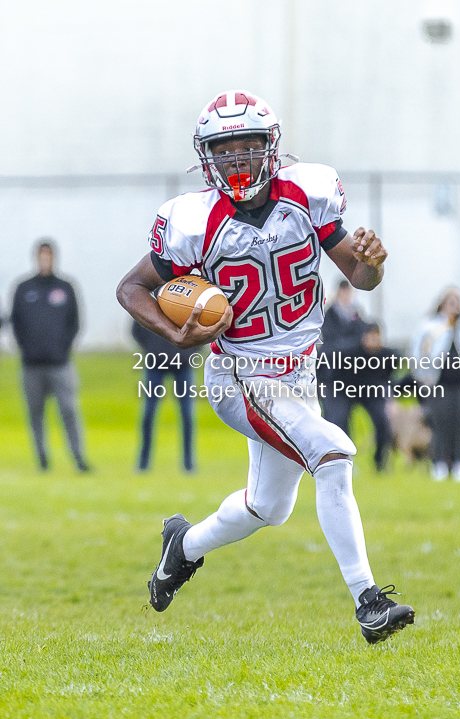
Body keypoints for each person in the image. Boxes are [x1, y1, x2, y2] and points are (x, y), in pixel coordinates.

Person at [117, 89, 414, 643]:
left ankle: (181, 548)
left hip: (299, 373)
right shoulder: (192, 219)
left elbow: (361, 276)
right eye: (224, 150)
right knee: (332, 453)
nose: (236, 160)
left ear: (270, 147)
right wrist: (175, 333)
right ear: (208, 157)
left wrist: (372, 265)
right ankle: (368, 601)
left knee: (267, 507)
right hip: (241, 377)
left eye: (247, 146)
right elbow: (131, 287)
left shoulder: (309, 192)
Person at [11, 240, 90, 472]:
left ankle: (78, 457)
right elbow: (16, 323)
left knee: (68, 410)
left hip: (60, 363)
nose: (45, 260)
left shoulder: (65, 287)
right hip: (32, 365)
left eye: (49, 256)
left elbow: (75, 322)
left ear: (54, 258)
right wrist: (26, 347)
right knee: (35, 413)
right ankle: (42, 458)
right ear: (36, 258)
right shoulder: (24, 288)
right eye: (41, 256)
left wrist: (63, 347)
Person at [411, 287, 460, 482]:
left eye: (458, 302)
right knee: (440, 423)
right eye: (450, 302)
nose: (454, 307)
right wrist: (421, 375)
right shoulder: (431, 325)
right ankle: (439, 462)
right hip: (438, 383)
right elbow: (418, 351)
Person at [132, 321, 198, 473]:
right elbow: (136, 329)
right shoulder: (151, 298)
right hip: (155, 364)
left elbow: (201, 329)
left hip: (183, 364)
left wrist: (189, 352)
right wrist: (151, 350)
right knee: (148, 413)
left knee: (187, 415)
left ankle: (189, 464)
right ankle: (143, 463)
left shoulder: (188, 301)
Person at [331, 323, 397, 471]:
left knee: (382, 421)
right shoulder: (349, 354)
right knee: (340, 419)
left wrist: (391, 399)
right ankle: (345, 459)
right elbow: (335, 375)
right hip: (346, 390)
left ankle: (379, 461)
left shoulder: (388, 355)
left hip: (372, 394)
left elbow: (389, 379)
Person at [318, 279, 368, 423]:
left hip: (353, 376)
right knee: (336, 418)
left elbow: (363, 339)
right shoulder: (329, 314)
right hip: (333, 376)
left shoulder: (356, 314)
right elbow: (330, 343)